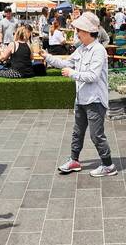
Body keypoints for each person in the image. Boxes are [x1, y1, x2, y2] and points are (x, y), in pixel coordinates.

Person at [42, 12, 116, 177]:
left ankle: (108, 165)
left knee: (96, 135)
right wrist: (47, 57)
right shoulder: (81, 48)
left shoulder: (98, 50)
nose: (77, 33)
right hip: (81, 97)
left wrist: (71, 73)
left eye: (79, 30)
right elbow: (67, 62)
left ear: (89, 32)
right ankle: (74, 160)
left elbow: (93, 76)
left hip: (95, 99)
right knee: (77, 132)